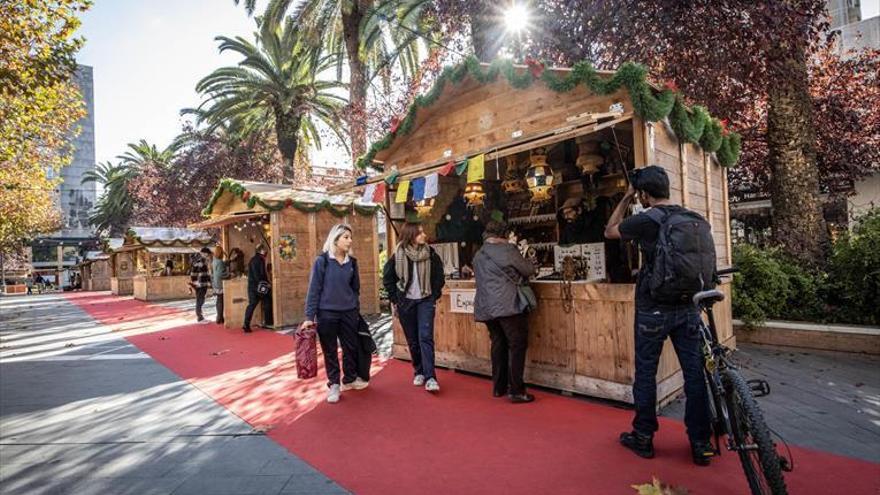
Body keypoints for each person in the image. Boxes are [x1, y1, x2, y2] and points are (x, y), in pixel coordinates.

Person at [604, 165, 714, 466]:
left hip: (653, 308)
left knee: (646, 374)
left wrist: (626, 198)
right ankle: (701, 442)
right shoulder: (692, 218)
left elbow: (610, 230)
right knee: (694, 375)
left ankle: (643, 436)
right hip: (688, 306)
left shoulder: (647, 219)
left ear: (644, 194)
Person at [473, 220, 537, 403]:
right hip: (508, 305)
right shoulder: (508, 250)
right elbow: (528, 270)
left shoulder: (479, 254)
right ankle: (516, 389)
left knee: (498, 344)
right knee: (517, 345)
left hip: (486, 306)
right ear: (504, 234)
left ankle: (498, 387)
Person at [303, 224, 368, 403]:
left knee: (350, 347)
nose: (350, 240)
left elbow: (356, 289)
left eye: (350, 237)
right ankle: (334, 384)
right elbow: (314, 290)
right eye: (346, 237)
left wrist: (354, 307)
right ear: (335, 239)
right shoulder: (322, 261)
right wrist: (309, 317)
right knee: (330, 350)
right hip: (327, 314)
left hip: (348, 312)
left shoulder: (352, 262)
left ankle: (349, 379)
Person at [382, 222, 445, 392]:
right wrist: (396, 299)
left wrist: (434, 295)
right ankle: (419, 371)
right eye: (420, 233)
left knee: (425, 337)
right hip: (406, 302)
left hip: (425, 300)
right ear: (411, 236)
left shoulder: (430, 254)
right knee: (413, 339)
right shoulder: (399, 254)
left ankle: (431, 377)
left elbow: (440, 275)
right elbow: (387, 277)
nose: (424, 235)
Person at [243, 244, 273, 332]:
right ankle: (268, 322)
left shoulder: (252, 259)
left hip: (252, 286)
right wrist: (267, 284)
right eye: (265, 250)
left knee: (251, 305)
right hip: (260, 287)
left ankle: (246, 324)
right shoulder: (260, 260)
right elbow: (261, 275)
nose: (266, 252)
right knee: (268, 301)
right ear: (262, 251)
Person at [189, 248, 212, 324]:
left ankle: (200, 316)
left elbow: (204, 273)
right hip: (200, 284)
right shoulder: (199, 260)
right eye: (207, 254)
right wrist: (195, 282)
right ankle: (200, 318)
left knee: (201, 300)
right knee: (200, 300)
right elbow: (193, 273)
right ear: (204, 253)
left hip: (201, 283)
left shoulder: (200, 260)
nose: (208, 256)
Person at [212, 246, 228, 325]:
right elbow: (221, 274)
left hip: (216, 283)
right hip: (221, 283)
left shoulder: (214, 261)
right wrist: (229, 274)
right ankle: (220, 317)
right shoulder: (220, 262)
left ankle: (219, 317)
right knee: (221, 301)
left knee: (219, 300)